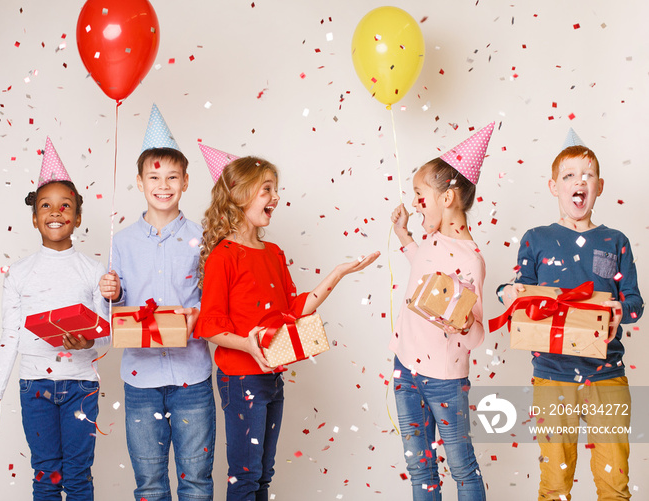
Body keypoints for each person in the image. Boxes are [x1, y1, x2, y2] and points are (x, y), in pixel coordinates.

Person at [194, 155, 379, 500]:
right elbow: (210, 326)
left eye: (275, 190)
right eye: (267, 190)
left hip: (271, 376)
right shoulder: (224, 256)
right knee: (246, 476)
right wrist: (248, 346)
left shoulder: (274, 253)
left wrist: (337, 274)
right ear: (240, 195)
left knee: (263, 474)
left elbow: (294, 311)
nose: (275, 198)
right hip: (241, 380)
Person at [497, 129, 643, 501]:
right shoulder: (536, 238)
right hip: (551, 376)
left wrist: (618, 309)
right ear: (553, 186)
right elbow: (522, 292)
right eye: (569, 176)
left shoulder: (616, 241)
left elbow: (635, 304)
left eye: (588, 175)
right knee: (555, 485)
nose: (579, 182)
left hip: (607, 376)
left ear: (600, 186)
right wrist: (508, 293)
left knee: (614, 485)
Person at [0, 137, 109, 501]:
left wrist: (90, 341)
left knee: (78, 476)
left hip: (81, 384)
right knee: (46, 475)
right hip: (35, 388)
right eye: (46, 205)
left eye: (66, 206)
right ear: (35, 218)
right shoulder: (19, 273)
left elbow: (107, 335)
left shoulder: (95, 271)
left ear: (77, 217)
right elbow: (10, 335)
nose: (56, 212)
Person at [98, 104, 215, 501]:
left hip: (192, 377)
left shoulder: (205, 239)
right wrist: (112, 295)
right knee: (149, 484)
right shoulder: (122, 243)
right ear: (139, 181)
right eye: (154, 177)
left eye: (172, 177)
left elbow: (214, 305)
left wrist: (197, 314)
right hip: (140, 380)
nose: (163, 185)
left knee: (196, 480)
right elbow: (119, 313)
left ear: (185, 181)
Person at [390, 123, 494, 500]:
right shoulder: (432, 238)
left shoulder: (471, 260)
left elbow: (478, 333)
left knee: (462, 467)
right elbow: (424, 268)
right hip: (406, 368)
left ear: (447, 198)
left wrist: (465, 321)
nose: (416, 203)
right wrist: (405, 235)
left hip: (445, 380)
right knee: (421, 468)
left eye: (421, 196)